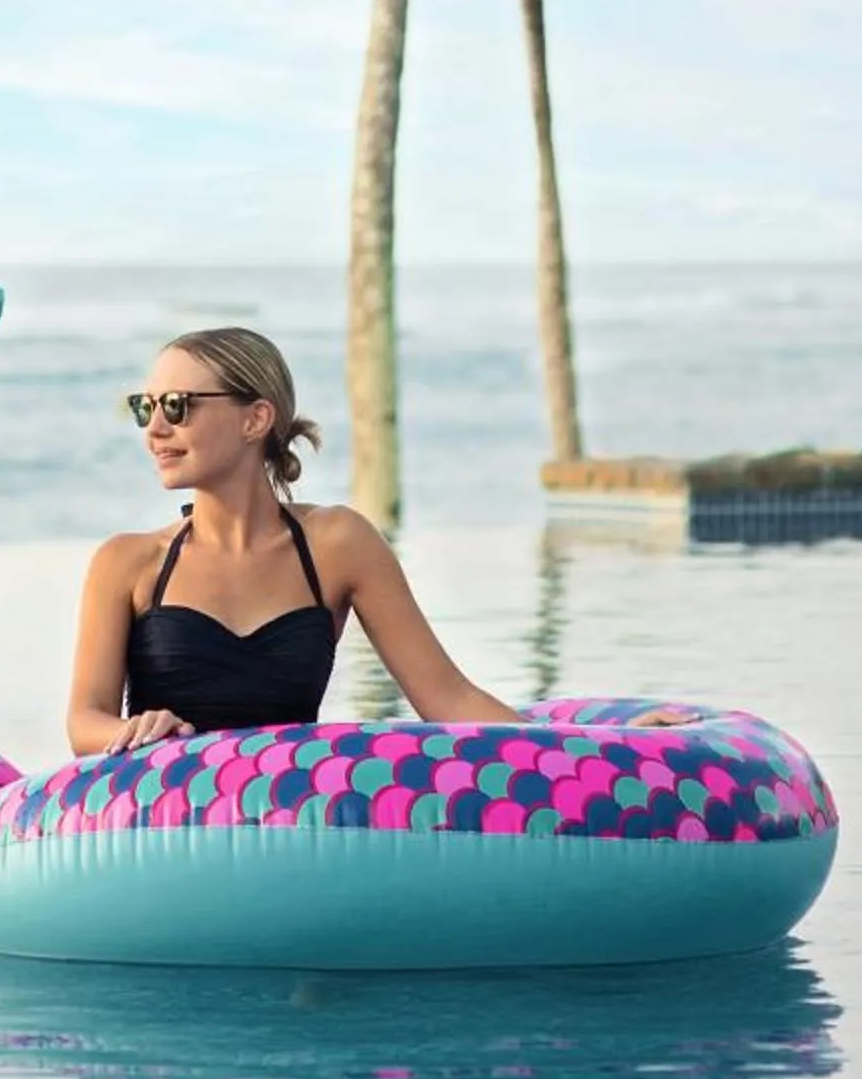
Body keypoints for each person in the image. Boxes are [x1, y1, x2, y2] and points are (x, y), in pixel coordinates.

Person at [66, 323, 531, 755]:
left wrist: (577, 758)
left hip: (287, 823)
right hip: (165, 822)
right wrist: (140, 730)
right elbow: (84, 723)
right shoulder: (128, 562)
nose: (154, 428)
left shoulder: (338, 545)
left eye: (176, 406)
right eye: (144, 407)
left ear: (255, 419)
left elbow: (448, 698)